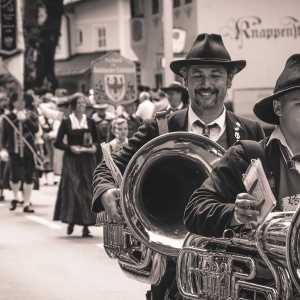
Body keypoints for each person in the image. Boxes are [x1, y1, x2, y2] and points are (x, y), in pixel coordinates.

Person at [92, 33, 265, 300]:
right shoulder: (161, 127)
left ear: (229, 80)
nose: (206, 84)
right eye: (197, 75)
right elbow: (109, 166)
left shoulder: (252, 132)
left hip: (236, 271)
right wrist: (106, 190)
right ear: (184, 79)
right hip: (173, 269)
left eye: (215, 75)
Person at [184, 53, 300, 238]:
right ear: (278, 108)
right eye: (299, 104)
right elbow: (195, 211)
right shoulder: (245, 156)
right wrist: (235, 214)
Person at [53, 93, 98, 237]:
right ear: (73, 105)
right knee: (73, 189)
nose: (82, 105)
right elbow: (57, 142)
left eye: (84, 103)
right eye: (79, 103)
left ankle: (86, 225)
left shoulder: (90, 122)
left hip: (87, 160)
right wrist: (70, 148)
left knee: (87, 190)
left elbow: (97, 140)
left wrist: (94, 148)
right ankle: (71, 220)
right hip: (72, 159)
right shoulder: (67, 122)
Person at [0, 93, 39, 213]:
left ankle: (26, 203)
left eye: (23, 101)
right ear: (13, 102)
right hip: (14, 151)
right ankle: (15, 198)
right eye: (18, 100)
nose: (21, 103)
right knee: (15, 176)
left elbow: (36, 129)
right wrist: (2, 149)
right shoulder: (7, 118)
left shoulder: (31, 115)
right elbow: (3, 137)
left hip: (29, 150)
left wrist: (26, 120)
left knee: (29, 176)